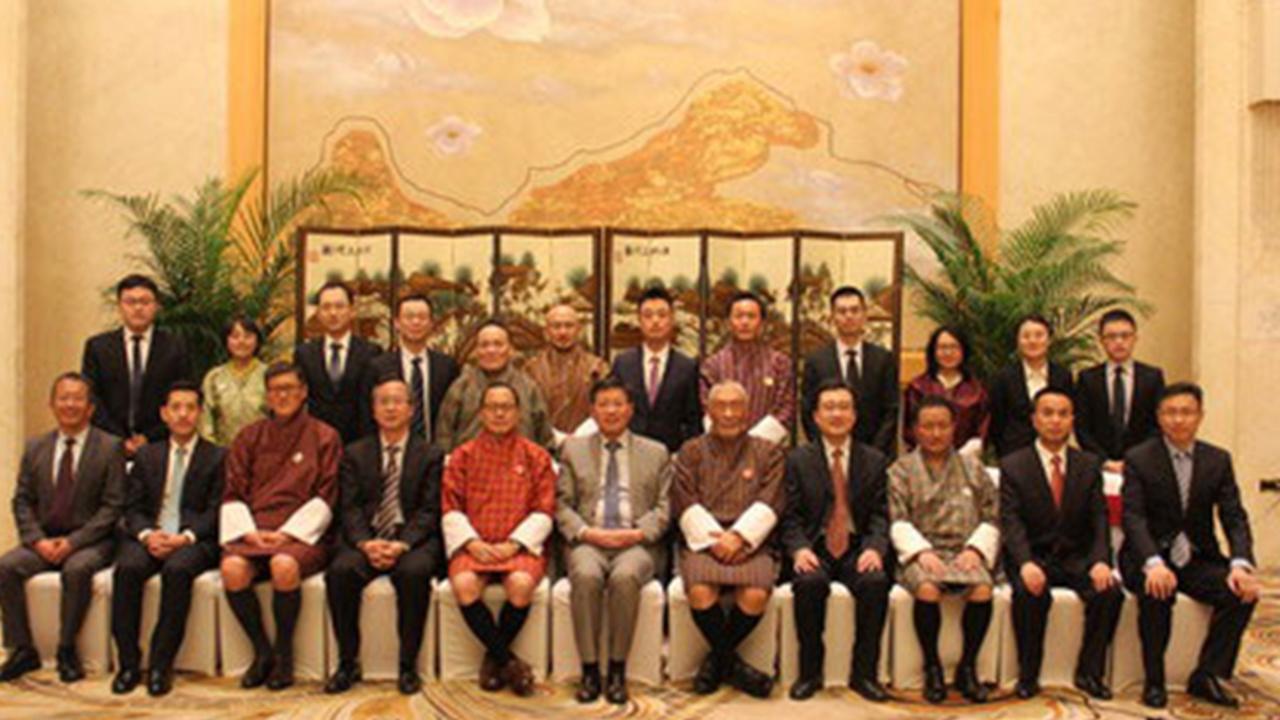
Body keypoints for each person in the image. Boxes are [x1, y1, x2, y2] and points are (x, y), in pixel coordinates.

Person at [1119, 382, 1258, 709]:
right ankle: (1154, 680)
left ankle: (1208, 674)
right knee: (1157, 591)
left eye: (1186, 412)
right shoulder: (1139, 458)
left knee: (1242, 593)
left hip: (1196, 557)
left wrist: (1240, 563)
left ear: (1199, 416)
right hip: (1147, 554)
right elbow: (1133, 518)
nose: (1178, 419)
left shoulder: (1217, 460)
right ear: (1159, 417)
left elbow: (1234, 516)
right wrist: (1152, 562)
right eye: (1170, 412)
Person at [219, 362, 341, 691]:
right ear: (267, 396)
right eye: (275, 390)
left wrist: (286, 534)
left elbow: (326, 496)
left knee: (283, 565)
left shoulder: (324, 436)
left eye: (289, 388)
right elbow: (233, 491)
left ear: (303, 393)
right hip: (254, 530)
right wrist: (249, 533)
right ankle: (262, 651)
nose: (282, 395)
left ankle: (284, 653)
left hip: (302, 534)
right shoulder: (249, 437)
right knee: (232, 569)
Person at [0, 373, 125, 683]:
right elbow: (22, 501)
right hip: (44, 540)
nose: (70, 405)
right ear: (52, 404)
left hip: (91, 541)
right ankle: (22, 648)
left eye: (77, 398)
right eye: (63, 398)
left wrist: (74, 542)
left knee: (77, 569)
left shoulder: (109, 447)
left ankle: (66, 648)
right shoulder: (36, 447)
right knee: (6, 566)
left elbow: (113, 506)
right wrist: (37, 541)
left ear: (90, 407)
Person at [999, 388, 1122, 701]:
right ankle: (1028, 674)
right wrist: (1025, 562)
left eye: (1063, 414)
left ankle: (1090, 673)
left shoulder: (1088, 464)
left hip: (1077, 558)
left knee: (1109, 592)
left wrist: (1100, 560)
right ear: (1034, 420)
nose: (1055, 421)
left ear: (1072, 420)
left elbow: (1098, 519)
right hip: (1034, 557)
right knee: (1029, 594)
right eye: (1048, 413)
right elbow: (1011, 522)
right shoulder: (1014, 464)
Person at [325, 377, 444, 696]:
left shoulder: (431, 454)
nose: (390, 408)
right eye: (383, 402)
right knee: (339, 572)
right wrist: (366, 543)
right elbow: (348, 508)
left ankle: (407, 666)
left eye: (397, 401)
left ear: (411, 409)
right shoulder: (355, 453)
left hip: (411, 542)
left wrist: (402, 543)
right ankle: (347, 662)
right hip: (368, 539)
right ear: (373, 410)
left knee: (414, 572)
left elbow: (430, 511)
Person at [556, 376, 671, 704]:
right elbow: (561, 504)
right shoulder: (573, 450)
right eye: (603, 404)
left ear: (631, 409)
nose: (611, 411)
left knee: (625, 577)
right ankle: (590, 670)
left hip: (635, 542)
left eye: (618, 404)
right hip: (588, 540)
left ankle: (618, 669)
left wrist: (636, 533)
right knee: (586, 576)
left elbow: (665, 507)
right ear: (592, 410)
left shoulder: (656, 451)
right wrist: (586, 532)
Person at [110, 380, 226, 696]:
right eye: (176, 407)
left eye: (190, 408)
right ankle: (129, 664)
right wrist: (148, 535)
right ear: (164, 413)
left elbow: (217, 510)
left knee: (177, 571)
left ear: (200, 413)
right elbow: (131, 507)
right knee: (127, 569)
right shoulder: (148, 456)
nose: (183, 414)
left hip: (193, 540)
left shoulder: (216, 456)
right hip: (151, 535)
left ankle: (161, 664)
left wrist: (184, 537)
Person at [671, 380, 785, 698]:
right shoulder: (691, 450)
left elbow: (771, 498)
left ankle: (716, 663)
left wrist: (739, 537)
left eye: (736, 406)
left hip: (752, 539)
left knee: (755, 595)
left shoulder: (768, 451)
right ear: (709, 411)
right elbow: (684, 499)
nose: (729, 413)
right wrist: (715, 541)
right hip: (704, 540)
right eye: (721, 406)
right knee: (700, 590)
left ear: (748, 412)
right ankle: (735, 667)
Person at [780, 379, 892, 702]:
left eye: (844, 407)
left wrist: (874, 547)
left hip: (858, 547)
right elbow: (789, 516)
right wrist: (799, 549)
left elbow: (881, 515)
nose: (837, 414)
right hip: (815, 546)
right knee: (809, 584)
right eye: (829, 407)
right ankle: (810, 672)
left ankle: (864, 674)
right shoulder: (797, 460)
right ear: (815, 416)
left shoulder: (874, 460)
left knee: (875, 583)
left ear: (855, 416)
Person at [441, 382, 557, 697]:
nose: (500, 413)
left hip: (517, 546)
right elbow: (450, 507)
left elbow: (545, 509)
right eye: (493, 407)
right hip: (474, 544)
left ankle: (494, 660)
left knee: (520, 586)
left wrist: (514, 544)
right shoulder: (462, 456)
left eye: (507, 407)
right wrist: (472, 544)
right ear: (481, 413)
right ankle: (510, 663)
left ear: (518, 413)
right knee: (464, 585)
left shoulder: (536, 456)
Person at [888, 395, 1000, 704]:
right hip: (923, 550)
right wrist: (921, 552)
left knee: (981, 590)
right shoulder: (901, 470)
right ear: (916, 430)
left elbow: (992, 513)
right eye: (928, 426)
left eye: (942, 426)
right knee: (926, 589)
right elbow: (898, 519)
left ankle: (967, 669)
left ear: (954, 428)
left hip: (965, 549)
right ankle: (933, 668)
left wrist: (976, 550)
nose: (935, 433)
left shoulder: (973, 467)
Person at [81, 273, 192, 456]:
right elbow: (92, 398)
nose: (138, 308)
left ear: (156, 306)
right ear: (119, 306)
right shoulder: (98, 347)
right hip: (108, 444)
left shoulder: (175, 347)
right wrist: (119, 439)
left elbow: (183, 396)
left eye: (145, 302)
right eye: (130, 302)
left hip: (159, 444)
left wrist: (148, 437)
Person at [802, 286, 898, 455]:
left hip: (875, 455)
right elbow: (808, 410)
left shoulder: (883, 359)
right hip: (828, 455)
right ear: (833, 317)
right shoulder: (816, 361)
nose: (849, 316)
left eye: (855, 310)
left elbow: (891, 411)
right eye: (842, 311)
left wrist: (874, 454)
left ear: (864, 315)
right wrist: (826, 449)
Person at [435, 319, 553, 451]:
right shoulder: (461, 387)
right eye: (484, 345)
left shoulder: (529, 388)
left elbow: (545, 438)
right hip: (472, 466)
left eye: (498, 344)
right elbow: (444, 435)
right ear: (476, 350)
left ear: (510, 349)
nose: (491, 350)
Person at [609, 286, 702, 453]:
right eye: (648, 315)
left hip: (671, 454)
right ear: (639, 320)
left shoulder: (687, 367)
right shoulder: (623, 363)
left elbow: (693, 421)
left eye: (662, 315)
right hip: (629, 453)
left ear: (672, 319)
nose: (655, 321)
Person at [358, 293, 459, 444]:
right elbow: (366, 417)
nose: (416, 322)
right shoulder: (377, 366)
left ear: (431, 323)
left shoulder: (446, 366)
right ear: (397, 323)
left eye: (422, 317)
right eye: (409, 317)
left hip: (436, 452)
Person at [1073, 309, 1165, 472]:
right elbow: (1082, 427)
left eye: (1125, 336)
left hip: (1142, 465)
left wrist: (1134, 460)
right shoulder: (1087, 378)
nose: (1119, 342)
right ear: (1101, 340)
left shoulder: (1152, 377)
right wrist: (1104, 461)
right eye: (1112, 336)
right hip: (1098, 466)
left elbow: (1158, 424)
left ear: (1135, 338)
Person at [293, 280, 382, 443]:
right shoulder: (305, 353)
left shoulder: (370, 353)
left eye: (339, 306)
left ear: (352, 311)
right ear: (318, 313)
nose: (333, 313)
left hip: (359, 444)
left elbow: (372, 403)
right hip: (316, 442)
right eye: (326, 307)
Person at [699, 292, 794, 444]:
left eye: (751, 316)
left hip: (767, 453)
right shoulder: (712, 365)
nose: (745, 322)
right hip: (721, 451)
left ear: (762, 323)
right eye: (739, 316)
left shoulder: (780, 364)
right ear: (728, 322)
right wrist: (728, 440)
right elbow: (706, 408)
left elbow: (786, 409)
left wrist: (752, 445)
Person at [988, 314, 1074, 458]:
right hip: (1014, 454)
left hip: (1055, 453)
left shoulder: (1063, 376)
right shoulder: (1003, 378)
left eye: (1039, 335)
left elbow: (1067, 415)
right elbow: (997, 423)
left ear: (1049, 340)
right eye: (1026, 336)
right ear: (1018, 342)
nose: (1032, 341)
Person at [523, 303, 609, 444]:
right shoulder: (531, 369)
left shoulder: (597, 368)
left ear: (578, 330)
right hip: (543, 445)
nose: (563, 332)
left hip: (589, 444)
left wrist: (583, 432)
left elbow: (606, 407)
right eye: (556, 326)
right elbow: (526, 413)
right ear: (546, 332)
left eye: (569, 326)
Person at [902, 326, 989, 454]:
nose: (948, 353)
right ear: (933, 351)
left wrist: (965, 453)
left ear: (963, 351)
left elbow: (983, 429)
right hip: (924, 460)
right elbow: (910, 430)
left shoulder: (977, 390)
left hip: (965, 461)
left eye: (954, 347)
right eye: (942, 347)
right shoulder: (918, 387)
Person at [199, 315, 268, 446]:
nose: (241, 341)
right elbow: (206, 420)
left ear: (257, 340)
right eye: (235, 336)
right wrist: (213, 453)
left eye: (248, 336)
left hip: (263, 453)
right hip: (222, 454)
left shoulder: (268, 375)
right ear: (226, 341)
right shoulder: (213, 377)